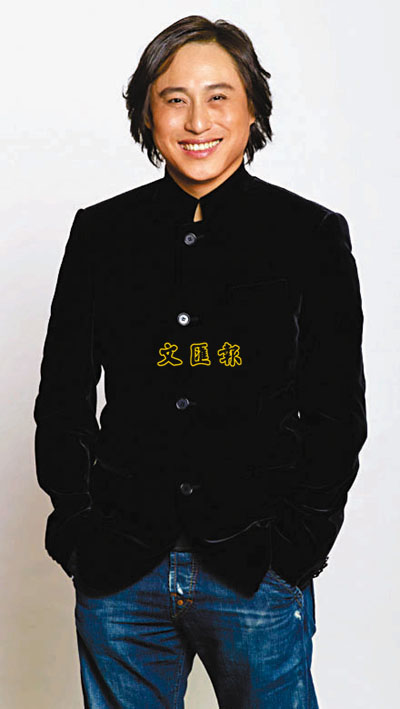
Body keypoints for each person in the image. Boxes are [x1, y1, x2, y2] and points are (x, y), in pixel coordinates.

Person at [33, 14, 368, 708]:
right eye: (174, 98)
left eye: (219, 97)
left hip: (255, 570)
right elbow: (63, 395)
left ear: (253, 110)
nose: (197, 121)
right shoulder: (102, 233)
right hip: (121, 568)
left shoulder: (309, 235)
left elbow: (337, 409)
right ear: (146, 113)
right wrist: (77, 528)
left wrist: (297, 546)